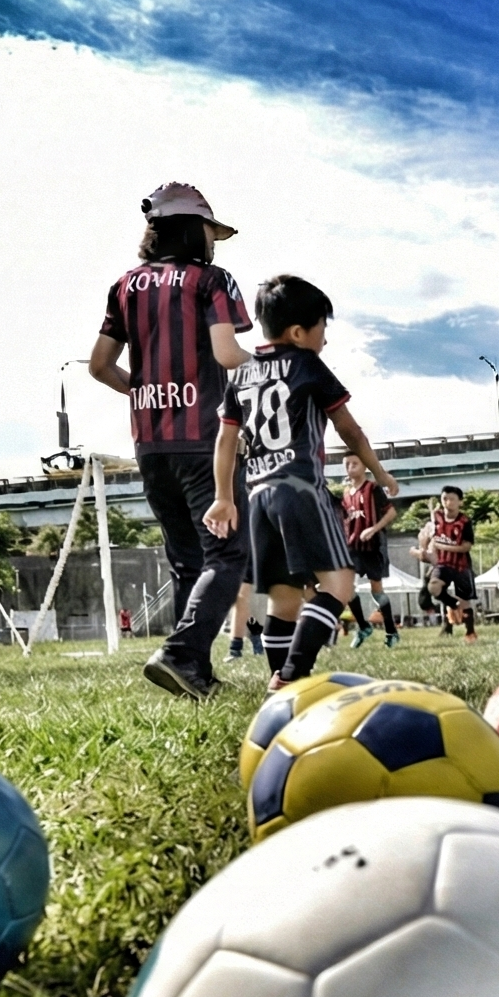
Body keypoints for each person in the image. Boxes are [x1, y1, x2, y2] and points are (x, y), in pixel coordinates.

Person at [90, 182, 252, 700]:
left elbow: (99, 366)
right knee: (227, 556)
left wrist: (142, 390)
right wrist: (280, 370)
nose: (213, 242)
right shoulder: (212, 281)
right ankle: (182, 654)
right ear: (193, 228)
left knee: (187, 560)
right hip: (205, 439)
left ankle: (194, 675)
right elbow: (227, 355)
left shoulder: (124, 286)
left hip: (150, 444)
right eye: (210, 231)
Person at [203, 274, 400, 691]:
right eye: (322, 329)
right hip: (301, 490)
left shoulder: (241, 374)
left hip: (256, 497)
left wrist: (224, 497)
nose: (324, 340)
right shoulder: (307, 364)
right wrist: (379, 473)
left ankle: (284, 692)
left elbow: (225, 441)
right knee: (339, 586)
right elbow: (351, 431)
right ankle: (292, 673)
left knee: (284, 599)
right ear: (297, 332)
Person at [339, 452, 401, 647]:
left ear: (365, 466)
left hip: (373, 547)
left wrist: (373, 529)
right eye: (347, 464)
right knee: (346, 588)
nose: (350, 467)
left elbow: (391, 512)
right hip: (352, 547)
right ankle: (364, 626)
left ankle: (391, 631)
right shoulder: (346, 493)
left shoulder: (373, 488)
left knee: (377, 590)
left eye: (354, 463)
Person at [427, 486, 479, 642]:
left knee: (465, 601)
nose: (447, 502)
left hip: (461, 566)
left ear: (460, 502)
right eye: (444, 499)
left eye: (451, 499)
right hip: (443, 563)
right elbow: (429, 536)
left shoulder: (464, 522)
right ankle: (452, 606)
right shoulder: (436, 517)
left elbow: (467, 546)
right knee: (433, 587)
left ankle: (470, 632)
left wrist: (444, 547)